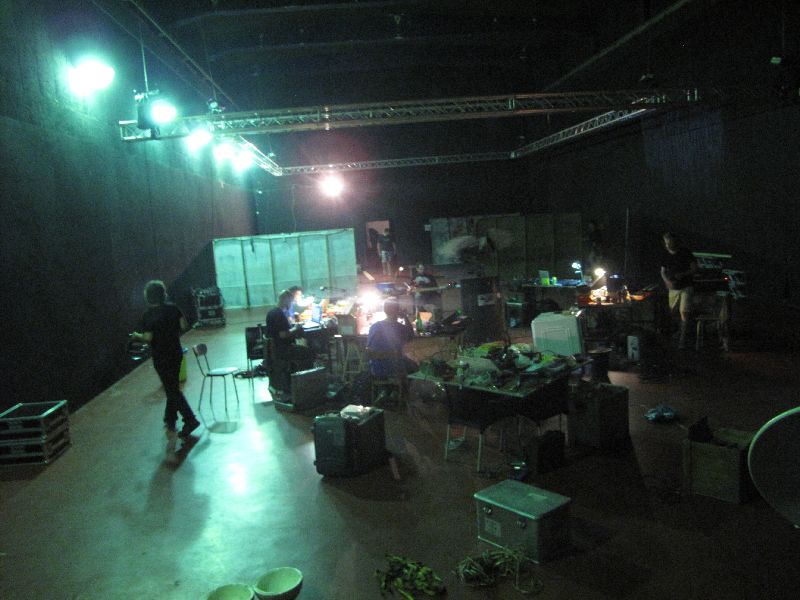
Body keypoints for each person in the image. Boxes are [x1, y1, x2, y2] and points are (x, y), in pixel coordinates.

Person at [131, 280, 200, 448]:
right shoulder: (173, 308)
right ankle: (170, 418)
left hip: (161, 357)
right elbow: (184, 325)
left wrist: (136, 336)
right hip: (176, 353)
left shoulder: (148, 315)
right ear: (163, 294)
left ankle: (190, 419)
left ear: (148, 297)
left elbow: (148, 338)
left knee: (172, 389)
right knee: (172, 386)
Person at [265, 289, 316, 394]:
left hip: (276, 348)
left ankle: (299, 380)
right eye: (291, 302)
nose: (291, 304)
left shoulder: (273, 312)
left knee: (303, 348)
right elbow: (283, 334)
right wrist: (296, 328)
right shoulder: (279, 314)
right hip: (283, 349)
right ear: (286, 301)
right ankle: (304, 383)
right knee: (309, 352)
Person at [660, 232, 698, 349]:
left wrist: (683, 274)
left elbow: (694, 269)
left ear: (674, 242)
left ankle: (682, 340)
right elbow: (662, 272)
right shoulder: (665, 255)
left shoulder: (685, 253)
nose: (667, 245)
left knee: (684, 312)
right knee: (673, 312)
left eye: (669, 242)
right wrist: (667, 281)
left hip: (686, 286)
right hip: (673, 288)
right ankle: (679, 332)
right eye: (666, 243)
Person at [367, 297, 419, 380]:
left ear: (384, 310)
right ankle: (405, 386)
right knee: (416, 364)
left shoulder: (374, 326)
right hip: (395, 368)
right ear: (398, 311)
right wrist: (405, 317)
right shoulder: (401, 328)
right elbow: (411, 337)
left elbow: (369, 346)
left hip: (376, 368)